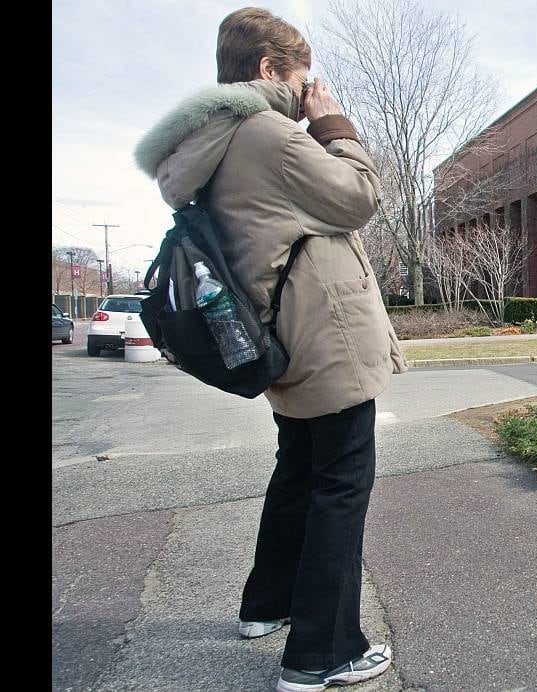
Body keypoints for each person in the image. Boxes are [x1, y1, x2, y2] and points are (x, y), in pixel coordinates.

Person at [133, 8, 406, 691]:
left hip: (284, 334)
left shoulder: (211, 140)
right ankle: (324, 653)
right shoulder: (268, 133)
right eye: (299, 76)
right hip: (327, 340)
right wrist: (334, 124)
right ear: (266, 71)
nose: (306, 87)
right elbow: (358, 195)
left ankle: (268, 604)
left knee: (299, 471)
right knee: (340, 486)